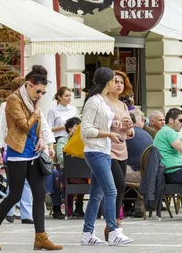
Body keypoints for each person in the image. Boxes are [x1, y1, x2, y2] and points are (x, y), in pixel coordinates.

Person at [0, 65, 61, 251]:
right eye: (38, 91)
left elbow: (38, 125)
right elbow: (24, 125)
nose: (40, 95)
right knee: (14, 195)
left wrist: (43, 139)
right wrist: (36, 112)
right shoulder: (13, 100)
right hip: (17, 153)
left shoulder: (35, 101)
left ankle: (40, 237)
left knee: (40, 194)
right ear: (29, 85)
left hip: (34, 153)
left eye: (43, 92)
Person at [79, 67, 133, 246]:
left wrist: (115, 123)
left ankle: (87, 234)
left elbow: (101, 123)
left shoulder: (101, 101)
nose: (116, 83)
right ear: (107, 82)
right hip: (95, 151)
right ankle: (113, 230)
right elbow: (85, 130)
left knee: (96, 195)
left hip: (103, 150)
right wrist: (108, 134)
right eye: (113, 80)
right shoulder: (93, 101)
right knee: (111, 190)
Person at [0, 76, 34, 224]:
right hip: (13, 146)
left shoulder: (32, 105)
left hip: (29, 147)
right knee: (15, 181)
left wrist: (47, 143)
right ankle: (9, 211)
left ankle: (26, 214)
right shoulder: (7, 105)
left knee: (27, 181)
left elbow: (42, 124)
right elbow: (0, 127)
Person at [105, 70, 133, 228]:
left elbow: (130, 132)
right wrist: (114, 124)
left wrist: (129, 128)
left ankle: (114, 220)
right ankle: (115, 220)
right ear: (108, 83)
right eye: (116, 81)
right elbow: (100, 124)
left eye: (121, 82)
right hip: (108, 148)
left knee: (119, 186)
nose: (119, 85)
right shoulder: (104, 102)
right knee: (119, 184)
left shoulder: (123, 105)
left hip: (122, 147)